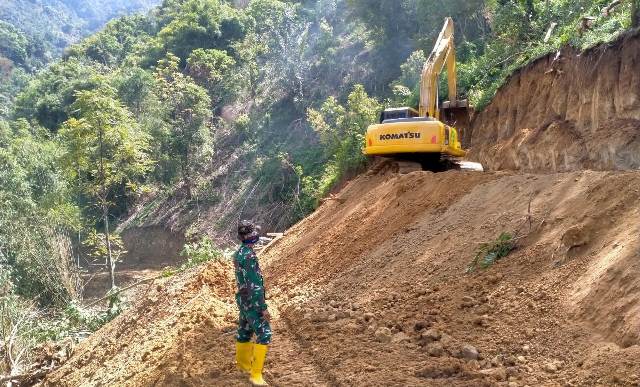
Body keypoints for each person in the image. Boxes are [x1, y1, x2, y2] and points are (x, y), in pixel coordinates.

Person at [234, 220, 272, 386]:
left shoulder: (239, 253)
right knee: (264, 333)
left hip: (243, 301)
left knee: (245, 330)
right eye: (254, 233)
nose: (256, 235)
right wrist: (262, 308)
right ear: (249, 236)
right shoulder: (249, 256)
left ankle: (243, 366)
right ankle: (255, 375)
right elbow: (255, 285)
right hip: (251, 301)